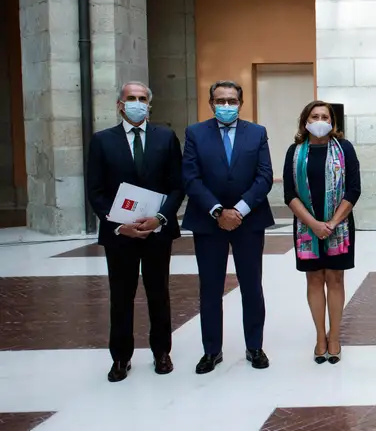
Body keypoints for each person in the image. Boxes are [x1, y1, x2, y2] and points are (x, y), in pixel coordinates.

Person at [86, 81, 184, 382]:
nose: (137, 103)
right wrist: (119, 225)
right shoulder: (102, 141)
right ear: (120, 104)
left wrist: (159, 219)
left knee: (159, 293)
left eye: (142, 99)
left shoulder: (166, 138)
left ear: (149, 105)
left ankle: (161, 352)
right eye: (131, 98)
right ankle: (120, 357)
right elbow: (96, 190)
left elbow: (177, 186)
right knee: (121, 296)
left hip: (157, 232)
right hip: (121, 235)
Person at [182, 80, 275, 374]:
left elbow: (264, 176)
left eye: (231, 100)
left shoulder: (257, 133)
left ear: (241, 102)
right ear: (211, 103)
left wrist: (240, 210)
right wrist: (218, 211)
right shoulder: (195, 133)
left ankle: (255, 346)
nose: (225, 105)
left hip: (249, 221)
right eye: (220, 100)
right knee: (210, 288)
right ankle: (211, 351)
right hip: (209, 223)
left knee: (252, 286)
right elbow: (191, 177)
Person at [283, 101, 360, 365]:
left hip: (339, 227)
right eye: (314, 116)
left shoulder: (344, 149)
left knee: (335, 280)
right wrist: (314, 224)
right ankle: (319, 337)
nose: (319, 120)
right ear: (305, 121)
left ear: (332, 122)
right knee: (314, 280)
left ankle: (335, 336)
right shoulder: (295, 152)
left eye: (324, 116)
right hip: (307, 227)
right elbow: (290, 194)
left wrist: (332, 222)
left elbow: (353, 189)